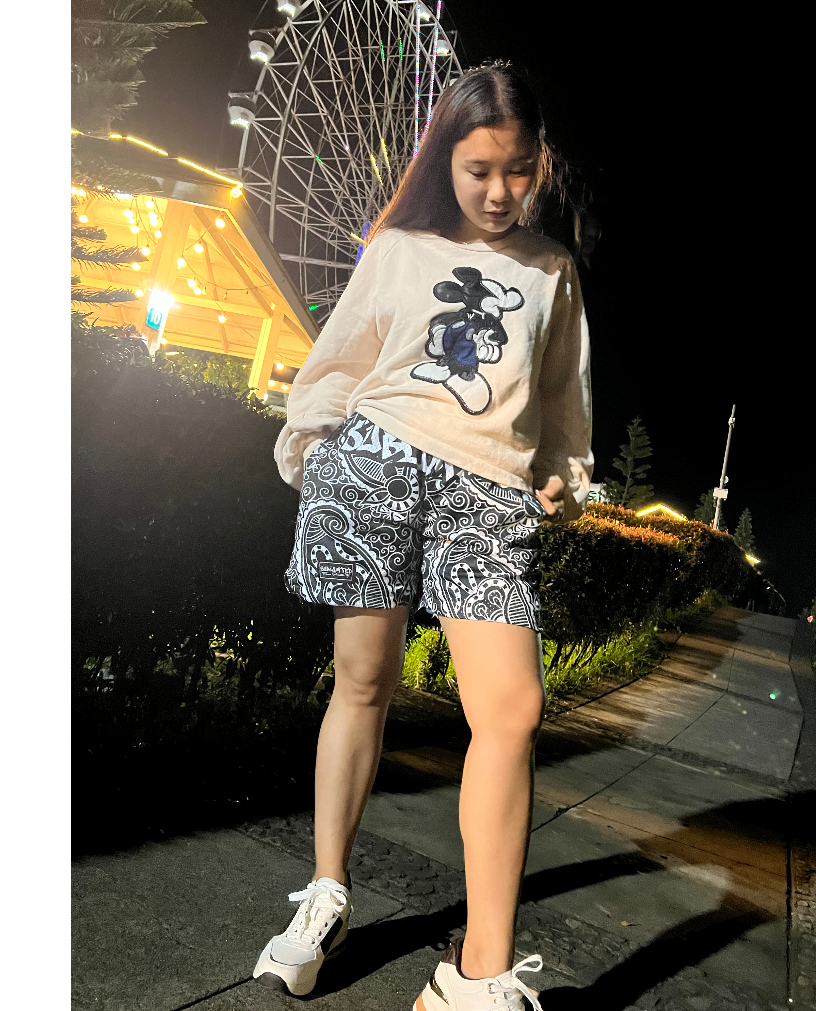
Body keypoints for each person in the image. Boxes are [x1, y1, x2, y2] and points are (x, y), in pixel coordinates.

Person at [252, 63, 593, 1011]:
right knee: (363, 682)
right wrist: (318, 454)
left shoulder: (552, 272)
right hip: (377, 463)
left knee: (512, 710)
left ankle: (477, 974)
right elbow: (337, 363)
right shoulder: (398, 247)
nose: (499, 191)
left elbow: (563, 404)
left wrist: (565, 474)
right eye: (479, 169)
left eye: (518, 170)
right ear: (445, 159)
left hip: (488, 491)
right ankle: (326, 896)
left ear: (540, 163)